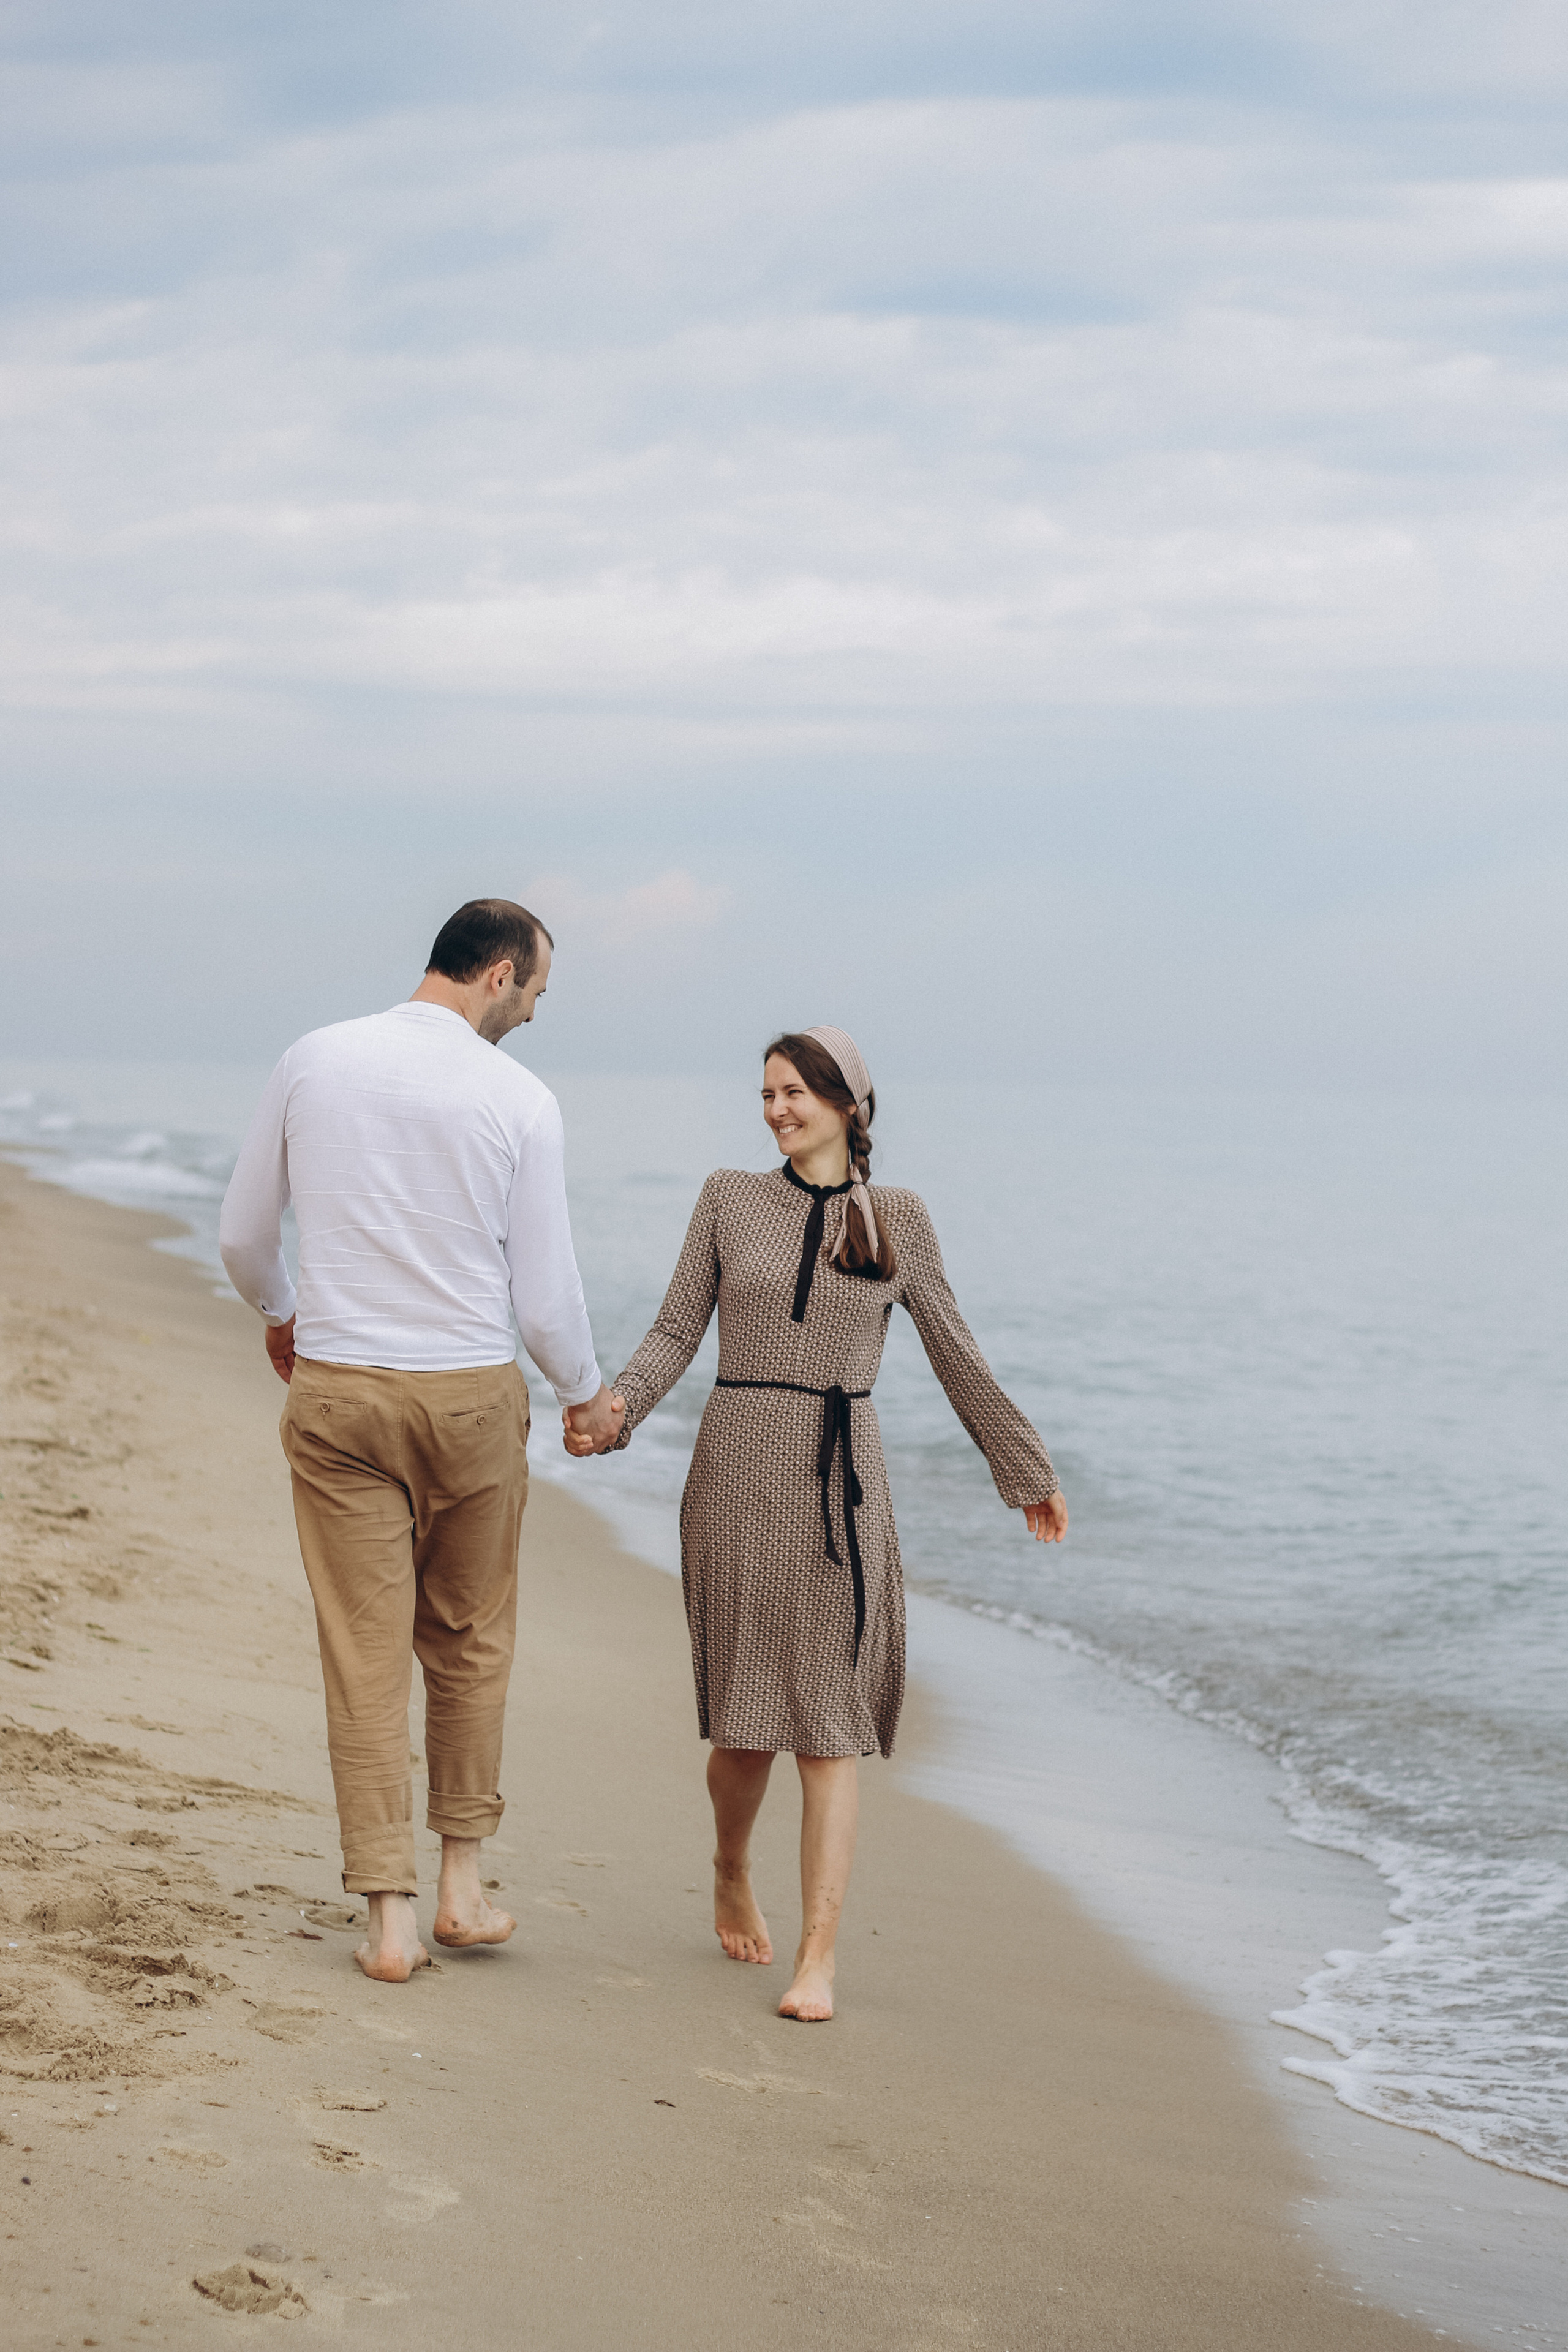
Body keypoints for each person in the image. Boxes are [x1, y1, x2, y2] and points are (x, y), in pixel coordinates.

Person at [565, 1026, 1065, 2021]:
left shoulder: (902, 1220)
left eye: (795, 1093)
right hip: (736, 1469)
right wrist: (616, 1410)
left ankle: (819, 1960)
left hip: (843, 1481)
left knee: (829, 1729)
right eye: (767, 1095)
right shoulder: (726, 1197)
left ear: (849, 1104)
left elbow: (956, 1351)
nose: (778, 1110)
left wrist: (1023, 1469)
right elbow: (676, 1328)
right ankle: (729, 1865)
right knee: (747, 1730)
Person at [221, 898, 624, 1983]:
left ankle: (388, 1923)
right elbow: (544, 1299)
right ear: (498, 975)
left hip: (341, 1388)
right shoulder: (520, 1100)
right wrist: (586, 1397)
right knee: (469, 1639)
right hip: (467, 1401)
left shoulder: (315, 1059)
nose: (533, 1014)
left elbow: (244, 1233)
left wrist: (284, 1310)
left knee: (362, 1654)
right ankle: (461, 1889)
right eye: (535, 994)